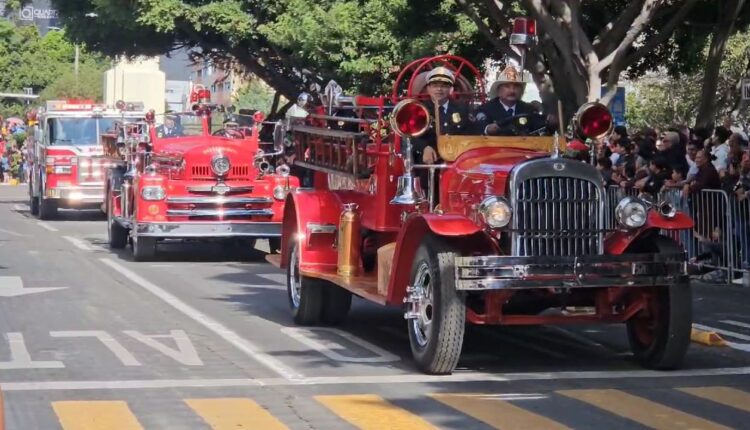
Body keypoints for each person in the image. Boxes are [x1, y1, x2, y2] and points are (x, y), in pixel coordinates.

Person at [411, 67, 472, 166]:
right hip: (427, 165)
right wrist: (424, 147)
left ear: (451, 89)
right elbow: (410, 136)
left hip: (456, 164)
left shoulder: (463, 109)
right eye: (435, 85)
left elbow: (470, 135)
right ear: (428, 88)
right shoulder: (419, 110)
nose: (439, 89)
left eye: (444, 86)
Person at [476, 65, 546, 136]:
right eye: (507, 87)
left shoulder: (528, 109)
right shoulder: (486, 109)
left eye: (515, 87)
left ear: (521, 91)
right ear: (498, 91)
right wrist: (488, 129)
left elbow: (539, 126)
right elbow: (478, 126)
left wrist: (550, 121)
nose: (512, 91)